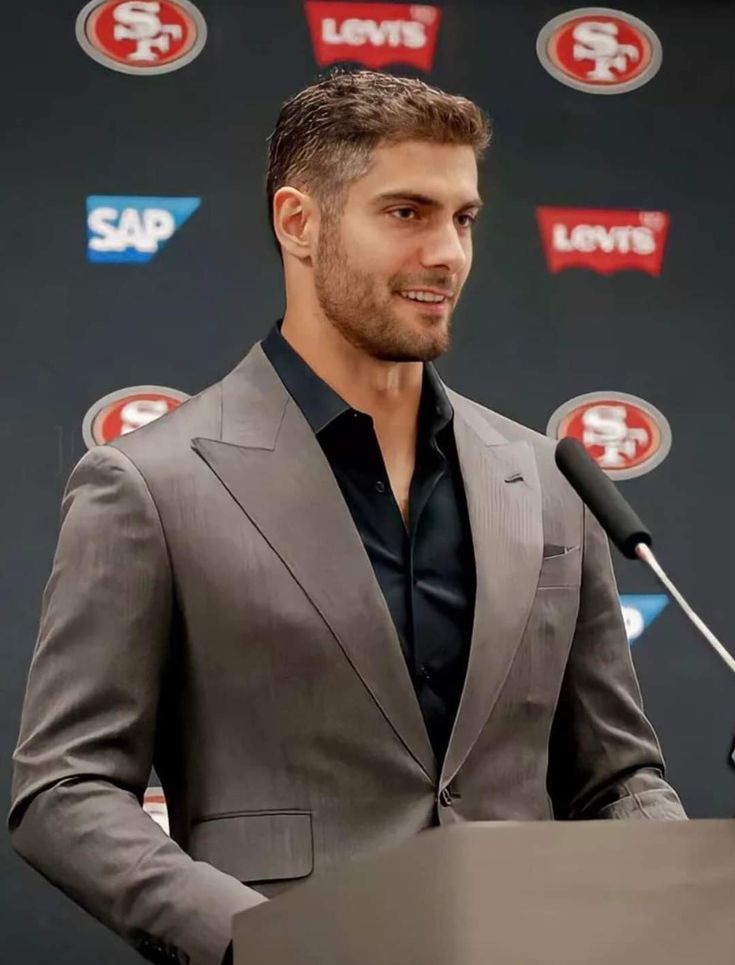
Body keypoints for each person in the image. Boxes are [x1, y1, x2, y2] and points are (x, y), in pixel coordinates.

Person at [9, 70, 686, 965]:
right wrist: (258, 940)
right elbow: (64, 789)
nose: (446, 253)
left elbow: (616, 774)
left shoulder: (550, 475)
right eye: (406, 212)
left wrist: (673, 884)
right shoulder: (148, 482)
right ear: (299, 222)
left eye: (463, 218)